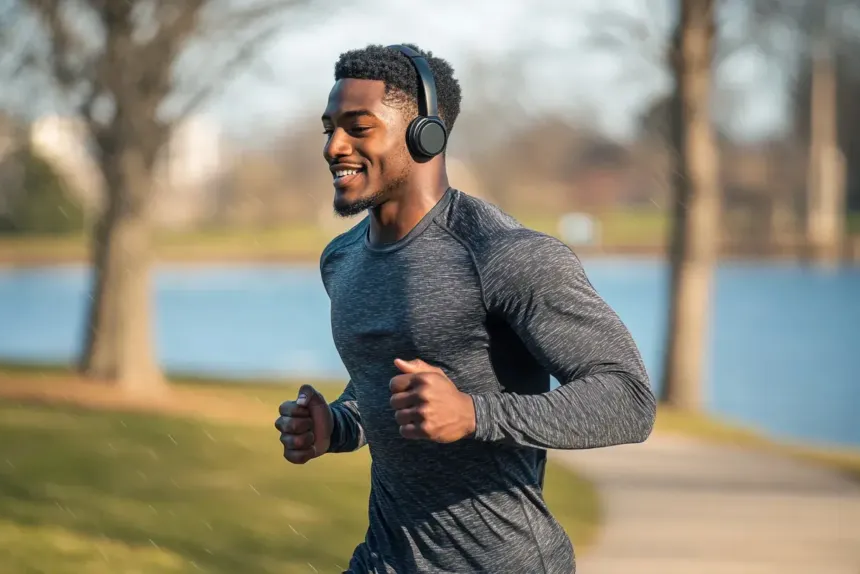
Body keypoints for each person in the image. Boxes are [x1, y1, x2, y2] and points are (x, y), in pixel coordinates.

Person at [274, 43, 656, 574]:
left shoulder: (505, 255)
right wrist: (335, 426)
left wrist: (474, 414)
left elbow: (629, 400)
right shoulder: (342, 260)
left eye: (358, 128)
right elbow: (383, 386)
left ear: (424, 135)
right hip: (382, 560)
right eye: (330, 129)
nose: (334, 147)